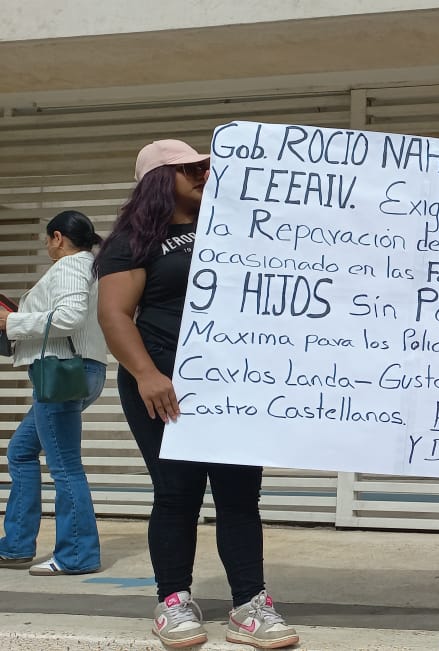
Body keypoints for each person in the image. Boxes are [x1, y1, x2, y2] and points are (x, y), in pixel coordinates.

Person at [95, 140, 298, 649]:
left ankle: (250, 605)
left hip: (232, 385)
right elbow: (114, 315)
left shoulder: (232, 227)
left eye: (206, 166)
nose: (204, 173)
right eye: (191, 168)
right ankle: (173, 601)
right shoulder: (134, 240)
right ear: (159, 180)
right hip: (162, 387)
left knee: (239, 495)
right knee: (176, 493)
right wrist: (146, 374)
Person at [0, 210, 106, 576]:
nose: (47, 246)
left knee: (65, 465)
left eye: (47, 239)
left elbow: (69, 317)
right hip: (77, 371)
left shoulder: (72, 265)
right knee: (21, 451)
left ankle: (77, 555)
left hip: (63, 373)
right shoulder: (91, 267)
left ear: (57, 237)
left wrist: (11, 321)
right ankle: (15, 546)